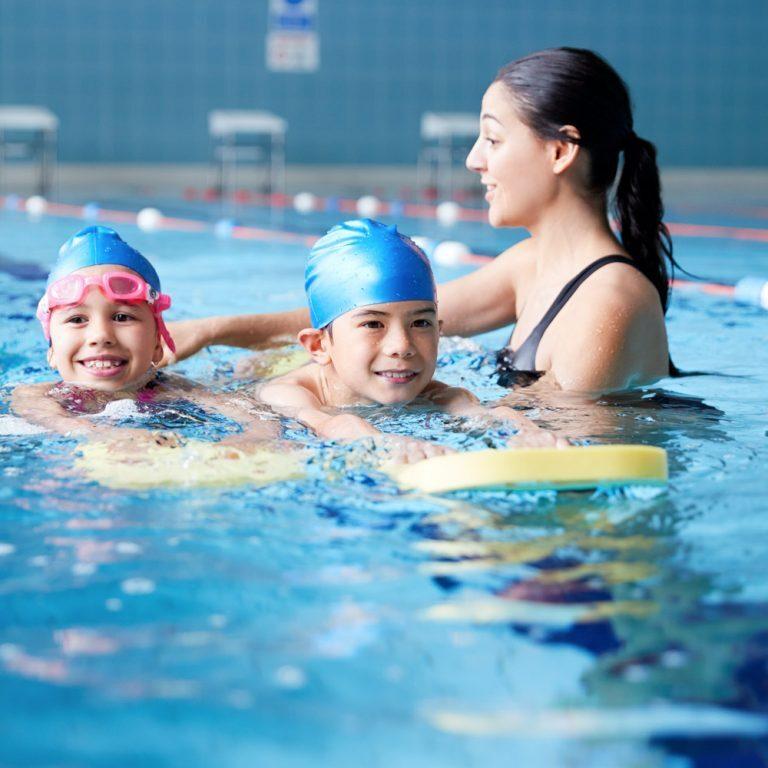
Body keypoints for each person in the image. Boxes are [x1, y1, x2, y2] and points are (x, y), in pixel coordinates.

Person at [163, 47, 677, 395]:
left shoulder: (609, 302)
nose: (475, 160)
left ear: (560, 150)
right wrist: (211, 333)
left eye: (493, 140)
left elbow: (554, 452)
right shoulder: (533, 265)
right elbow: (368, 314)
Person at [258, 218, 564, 462]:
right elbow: (327, 424)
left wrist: (518, 428)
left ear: (439, 331)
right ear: (319, 346)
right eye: (373, 324)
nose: (402, 346)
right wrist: (377, 441)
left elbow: (473, 411)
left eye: (420, 323)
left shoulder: (434, 393)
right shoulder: (286, 394)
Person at [11, 226, 273, 446]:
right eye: (77, 319)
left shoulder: (177, 390)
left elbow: (258, 419)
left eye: (122, 317)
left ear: (158, 344)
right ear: (52, 352)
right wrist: (112, 436)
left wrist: (250, 441)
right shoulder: (36, 396)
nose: (101, 336)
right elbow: (58, 422)